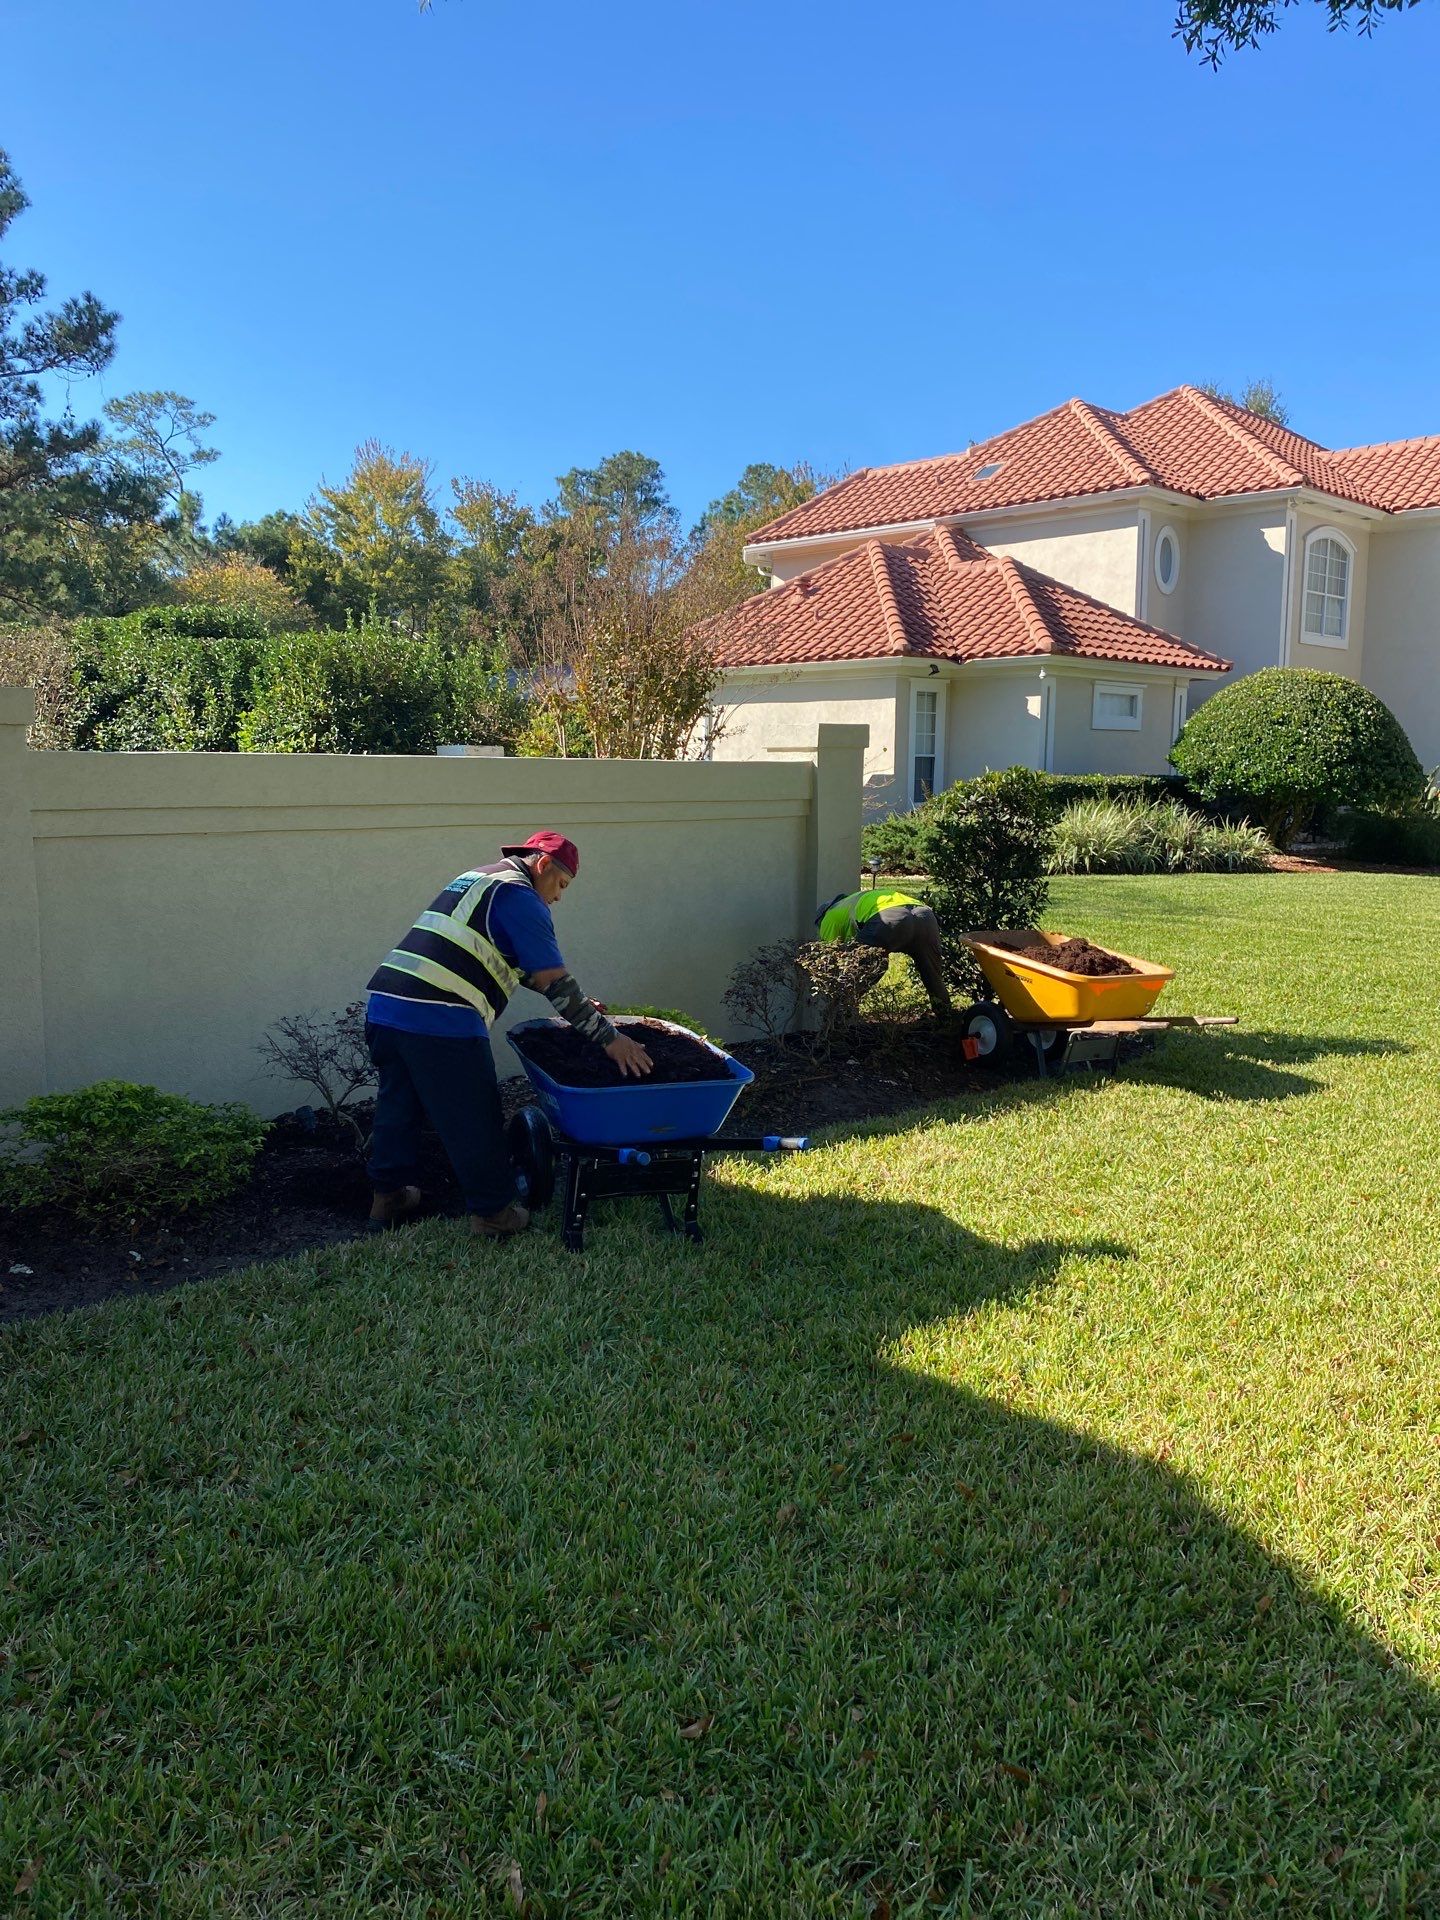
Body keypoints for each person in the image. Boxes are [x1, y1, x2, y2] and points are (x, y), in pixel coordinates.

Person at [364, 830, 653, 1239]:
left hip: (386, 1006)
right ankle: (493, 1214)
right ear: (543, 864)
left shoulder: (480, 878)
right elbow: (553, 979)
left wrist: (580, 1002)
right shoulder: (522, 898)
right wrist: (611, 1039)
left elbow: (509, 962)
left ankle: (387, 1198)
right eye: (561, 884)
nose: (558, 898)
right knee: (473, 1115)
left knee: (399, 1103)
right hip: (441, 1017)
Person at [815, 886, 952, 1019]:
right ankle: (947, 1022)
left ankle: (840, 1019)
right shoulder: (855, 900)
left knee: (866, 969)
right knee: (933, 977)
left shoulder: (830, 916)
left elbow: (829, 958)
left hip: (890, 918)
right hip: (925, 916)